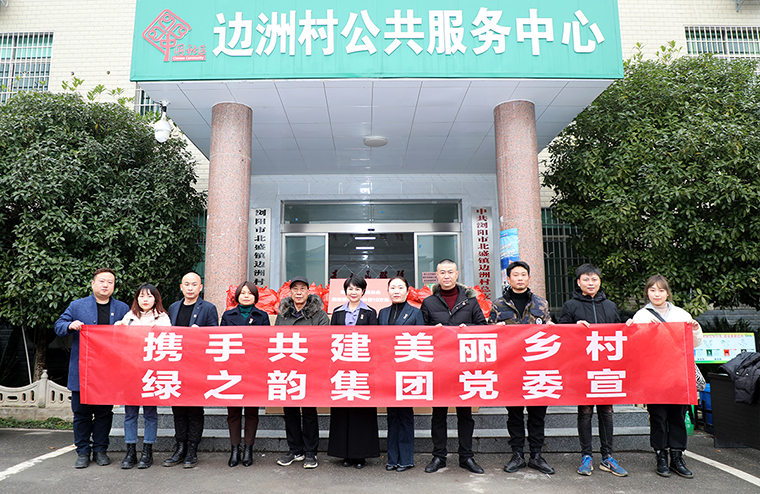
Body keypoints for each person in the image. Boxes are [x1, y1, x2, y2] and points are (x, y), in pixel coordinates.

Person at [628, 274, 703, 478]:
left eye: (661, 290)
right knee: (658, 416)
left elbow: (694, 343)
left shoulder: (681, 314)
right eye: (653, 290)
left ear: (667, 293)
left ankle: (677, 457)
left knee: (678, 415)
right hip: (654, 373)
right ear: (647, 293)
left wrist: (695, 329)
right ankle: (661, 456)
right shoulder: (641, 316)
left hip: (678, 372)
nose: (657, 294)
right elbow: (634, 345)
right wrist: (642, 330)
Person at [54, 268, 129, 468]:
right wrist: (70, 325)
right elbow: (59, 325)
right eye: (102, 281)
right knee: (81, 414)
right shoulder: (77, 306)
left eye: (110, 282)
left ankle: (100, 450)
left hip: (108, 372)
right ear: (93, 284)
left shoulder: (122, 308)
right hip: (83, 371)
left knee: (104, 414)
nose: (106, 285)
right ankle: (83, 452)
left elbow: (133, 335)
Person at [558, 263, 628, 477]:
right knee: (585, 412)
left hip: (607, 369)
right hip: (582, 369)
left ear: (600, 281)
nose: (590, 283)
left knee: (607, 412)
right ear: (578, 282)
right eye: (586, 279)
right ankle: (586, 456)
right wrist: (574, 328)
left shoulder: (610, 306)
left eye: (594, 279)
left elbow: (619, 335)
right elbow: (561, 334)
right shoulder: (570, 306)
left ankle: (607, 457)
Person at [488, 261, 555, 475]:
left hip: (537, 368)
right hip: (511, 369)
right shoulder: (498, 305)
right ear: (508, 279)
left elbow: (549, 330)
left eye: (523, 274)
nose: (519, 278)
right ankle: (517, 455)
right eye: (515, 275)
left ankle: (536, 455)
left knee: (537, 414)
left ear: (528, 278)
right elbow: (488, 334)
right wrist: (494, 328)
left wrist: (552, 328)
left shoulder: (541, 304)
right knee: (515, 414)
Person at [420, 259, 486, 474]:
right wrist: (433, 331)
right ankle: (439, 456)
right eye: (442, 272)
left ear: (457, 274)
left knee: (465, 415)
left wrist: (469, 328)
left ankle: (466, 457)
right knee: (438, 414)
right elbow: (420, 334)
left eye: (450, 272)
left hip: (464, 367)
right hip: (439, 367)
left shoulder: (470, 301)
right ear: (437, 276)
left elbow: (483, 329)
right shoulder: (428, 302)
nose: (446, 276)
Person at [164, 272, 219, 468]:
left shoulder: (209, 308)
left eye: (194, 284)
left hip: (197, 366)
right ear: (181, 287)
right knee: (178, 407)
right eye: (186, 284)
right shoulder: (173, 307)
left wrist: (200, 334)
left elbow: (215, 334)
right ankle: (180, 447)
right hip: (176, 365)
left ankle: (192, 449)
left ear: (200, 287)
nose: (190, 288)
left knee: (195, 408)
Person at [275, 276, 329, 469]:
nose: (298, 292)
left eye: (302, 289)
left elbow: (323, 342)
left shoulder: (320, 315)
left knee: (309, 412)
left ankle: (311, 452)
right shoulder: (283, 315)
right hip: (287, 370)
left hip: (310, 371)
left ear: (308, 292)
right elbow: (276, 339)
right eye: (295, 289)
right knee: (289, 412)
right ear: (290, 292)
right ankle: (295, 450)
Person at [115, 283, 172, 469]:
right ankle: (130, 451)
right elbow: (117, 342)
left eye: (149, 296)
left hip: (151, 372)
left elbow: (168, 342)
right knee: (130, 413)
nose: (145, 300)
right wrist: (117, 328)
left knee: (150, 413)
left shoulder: (163, 318)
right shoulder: (129, 317)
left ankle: (148, 451)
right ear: (136, 299)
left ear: (156, 299)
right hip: (130, 372)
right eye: (141, 296)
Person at [328, 274, 380, 469]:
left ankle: (361, 455)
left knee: (362, 412)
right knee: (342, 411)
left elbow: (374, 342)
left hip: (363, 371)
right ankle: (344, 454)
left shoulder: (370, 313)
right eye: (350, 288)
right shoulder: (337, 312)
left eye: (357, 289)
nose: (354, 292)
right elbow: (331, 340)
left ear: (363, 291)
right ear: (345, 291)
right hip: (341, 370)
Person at [220, 281, 271, 468]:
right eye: (243, 293)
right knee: (233, 412)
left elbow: (266, 344)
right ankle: (235, 449)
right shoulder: (227, 316)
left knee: (251, 412)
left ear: (255, 297)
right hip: (232, 370)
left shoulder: (262, 316)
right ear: (237, 296)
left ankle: (248, 449)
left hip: (253, 370)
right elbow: (221, 342)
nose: (246, 296)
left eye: (250, 293)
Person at [378, 275, 424, 472]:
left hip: (407, 371)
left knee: (405, 414)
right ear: (388, 291)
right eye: (393, 287)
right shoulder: (382, 313)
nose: (396, 291)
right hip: (388, 371)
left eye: (400, 287)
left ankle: (406, 459)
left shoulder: (415, 313)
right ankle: (392, 458)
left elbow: (421, 341)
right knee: (391, 414)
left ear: (407, 291)